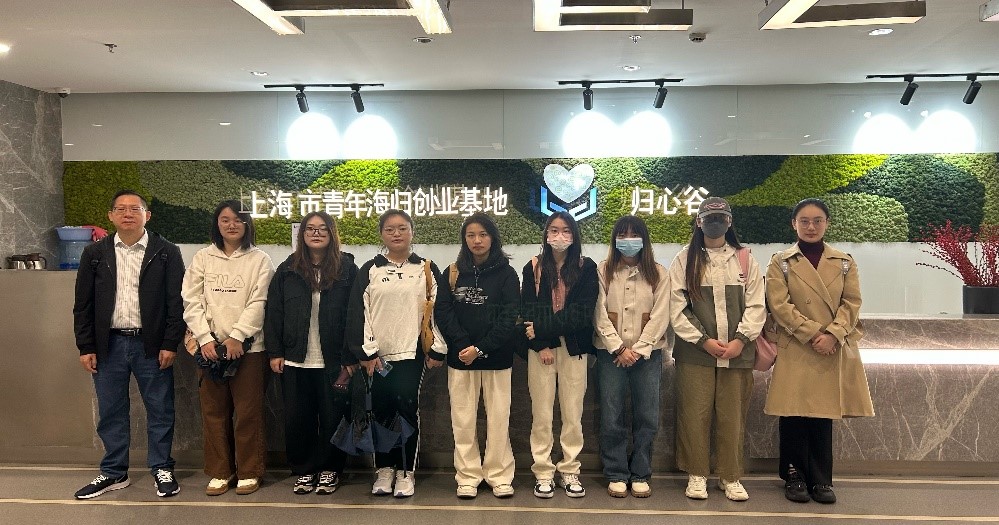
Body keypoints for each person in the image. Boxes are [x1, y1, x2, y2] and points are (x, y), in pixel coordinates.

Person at [72, 189, 186, 499]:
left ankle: (162, 468)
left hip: (151, 345)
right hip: (108, 344)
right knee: (111, 410)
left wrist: (170, 343)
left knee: (160, 409)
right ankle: (114, 472)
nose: (127, 214)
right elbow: (83, 304)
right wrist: (86, 346)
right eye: (121, 209)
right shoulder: (95, 253)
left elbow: (176, 303)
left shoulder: (166, 252)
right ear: (110, 216)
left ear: (147, 215)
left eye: (135, 209)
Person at [765, 198, 874, 505]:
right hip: (797, 345)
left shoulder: (844, 262)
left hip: (831, 347)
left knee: (823, 416)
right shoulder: (781, 262)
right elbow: (779, 305)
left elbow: (852, 303)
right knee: (793, 413)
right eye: (804, 221)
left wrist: (833, 334)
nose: (810, 227)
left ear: (827, 223)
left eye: (817, 221)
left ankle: (822, 479)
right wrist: (814, 333)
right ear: (794, 224)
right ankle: (794, 475)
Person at [668, 197, 765, 502]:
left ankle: (730, 476)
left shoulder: (745, 259)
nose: (715, 223)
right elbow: (677, 308)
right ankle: (697, 474)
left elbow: (757, 305)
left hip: (738, 354)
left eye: (721, 218)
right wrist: (704, 341)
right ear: (698, 222)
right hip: (695, 354)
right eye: (709, 218)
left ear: (729, 221)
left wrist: (740, 340)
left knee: (732, 417)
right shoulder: (684, 260)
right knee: (694, 415)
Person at [347, 209, 446, 498]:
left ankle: (405, 471)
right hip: (378, 358)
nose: (396, 233)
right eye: (390, 229)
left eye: (402, 228)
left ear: (412, 231)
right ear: (381, 234)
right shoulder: (370, 269)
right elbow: (359, 312)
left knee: (406, 411)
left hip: (412, 355)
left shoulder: (426, 269)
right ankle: (384, 469)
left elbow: (438, 311)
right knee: (380, 411)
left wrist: (438, 349)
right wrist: (367, 352)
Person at [182, 200, 274, 496]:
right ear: (217, 224)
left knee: (248, 413)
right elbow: (191, 300)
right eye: (225, 219)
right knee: (214, 412)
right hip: (208, 349)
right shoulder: (203, 258)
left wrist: (238, 337)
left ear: (247, 224)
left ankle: (249, 471)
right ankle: (221, 471)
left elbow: (260, 301)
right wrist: (205, 338)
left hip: (250, 349)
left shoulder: (260, 260)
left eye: (238, 219)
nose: (231, 225)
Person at [264, 211, 358, 496]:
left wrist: (351, 358)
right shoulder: (288, 269)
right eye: (310, 229)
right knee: (297, 419)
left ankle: (331, 469)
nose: (316, 233)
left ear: (332, 234)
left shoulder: (347, 269)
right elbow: (274, 312)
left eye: (322, 228)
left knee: (334, 417)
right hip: (295, 359)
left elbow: (356, 315)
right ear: (302, 234)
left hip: (334, 360)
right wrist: (275, 352)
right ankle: (304, 469)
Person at [434, 212, 520, 499]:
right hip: (461, 359)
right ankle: (468, 476)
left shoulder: (507, 273)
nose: (477, 240)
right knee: (463, 421)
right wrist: (463, 346)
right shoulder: (453, 271)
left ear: (493, 238)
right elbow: (443, 312)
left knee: (499, 419)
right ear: (464, 239)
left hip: (497, 358)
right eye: (471, 235)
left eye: (483, 234)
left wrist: (481, 348)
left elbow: (509, 316)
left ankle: (499, 475)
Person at [522, 211, 599, 499]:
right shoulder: (533, 267)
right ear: (546, 234)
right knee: (541, 414)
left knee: (572, 413)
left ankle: (570, 469)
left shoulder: (586, 267)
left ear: (574, 235)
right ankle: (543, 470)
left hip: (574, 349)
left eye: (566, 231)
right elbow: (528, 309)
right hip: (541, 348)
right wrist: (542, 343)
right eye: (553, 230)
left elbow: (581, 314)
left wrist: (541, 329)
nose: (559, 236)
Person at [593, 215, 670, 499]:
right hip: (609, 354)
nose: (628, 240)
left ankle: (640, 473)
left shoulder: (659, 273)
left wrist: (638, 350)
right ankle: (616, 472)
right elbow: (598, 313)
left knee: (647, 415)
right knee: (611, 414)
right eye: (622, 235)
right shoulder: (603, 270)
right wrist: (618, 348)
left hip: (647, 355)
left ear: (644, 239)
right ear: (614, 240)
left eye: (634, 234)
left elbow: (661, 316)